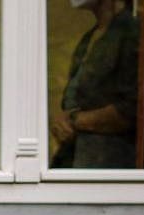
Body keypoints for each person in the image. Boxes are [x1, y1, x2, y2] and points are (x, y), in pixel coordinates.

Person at [52, 0, 139, 169]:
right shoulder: (89, 38)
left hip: (111, 170)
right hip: (77, 162)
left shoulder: (132, 33)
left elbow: (133, 109)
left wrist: (73, 121)